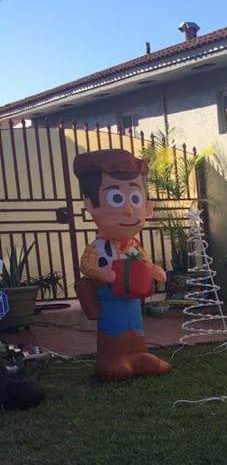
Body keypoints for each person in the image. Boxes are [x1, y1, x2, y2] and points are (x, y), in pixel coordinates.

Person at [73, 149, 171, 381]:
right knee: (113, 328)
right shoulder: (98, 247)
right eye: (115, 199)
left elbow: (145, 263)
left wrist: (154, 270)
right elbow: (86, 265)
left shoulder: (135, 245)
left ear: (147, 207)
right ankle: (110, 359)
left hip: (133, 302)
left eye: (135, 199)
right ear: (91, 205)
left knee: (136, 328)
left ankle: (138, 355)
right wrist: (101, 273)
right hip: (109, 301)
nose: (128, 210)